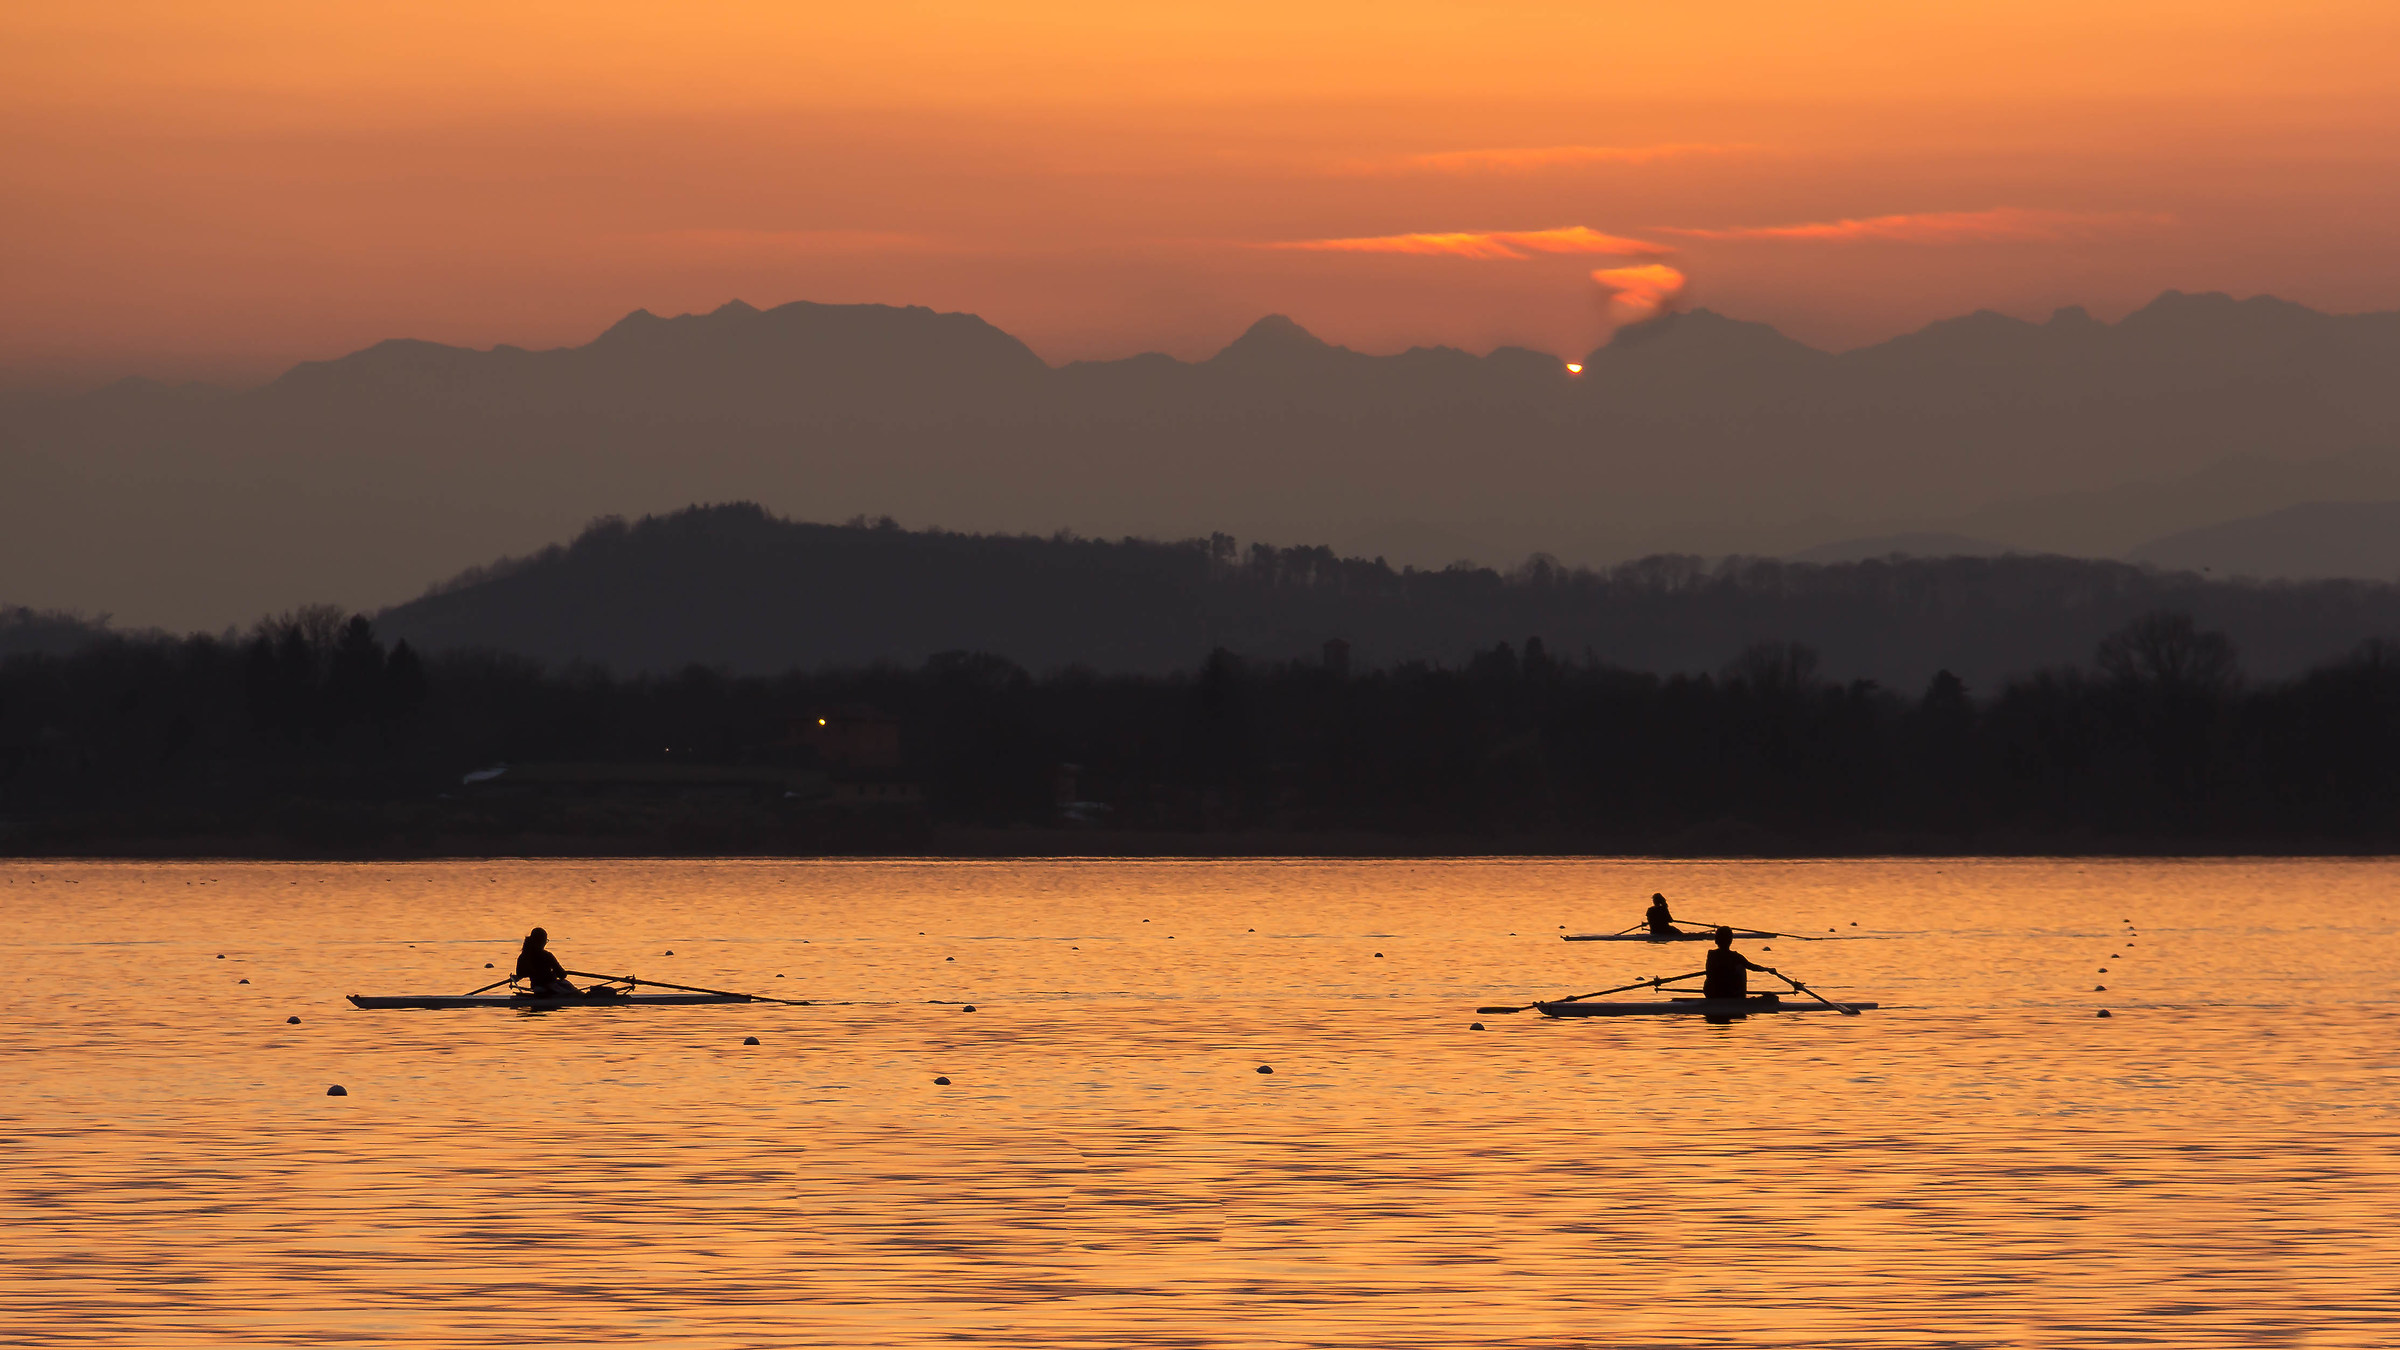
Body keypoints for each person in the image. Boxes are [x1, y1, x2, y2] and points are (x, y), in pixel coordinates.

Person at [1703, 926, 1776, 1001]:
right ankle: (1740, 998)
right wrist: (1767, 969)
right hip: (1729, 994)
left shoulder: (1711, 955)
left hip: (1711, 993)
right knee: (1740, 967)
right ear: (1731, 940)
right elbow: (1753, 967)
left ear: (1716, 941)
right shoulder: (1736, 957)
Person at [515, 927, 581, 997]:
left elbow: (520, 974)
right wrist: (555, 973)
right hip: (550, 987)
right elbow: (562, 975)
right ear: (541, 941)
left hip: (536, 988)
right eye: (545, 941)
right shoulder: (547, 955)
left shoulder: (523, 956)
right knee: (570, 987)